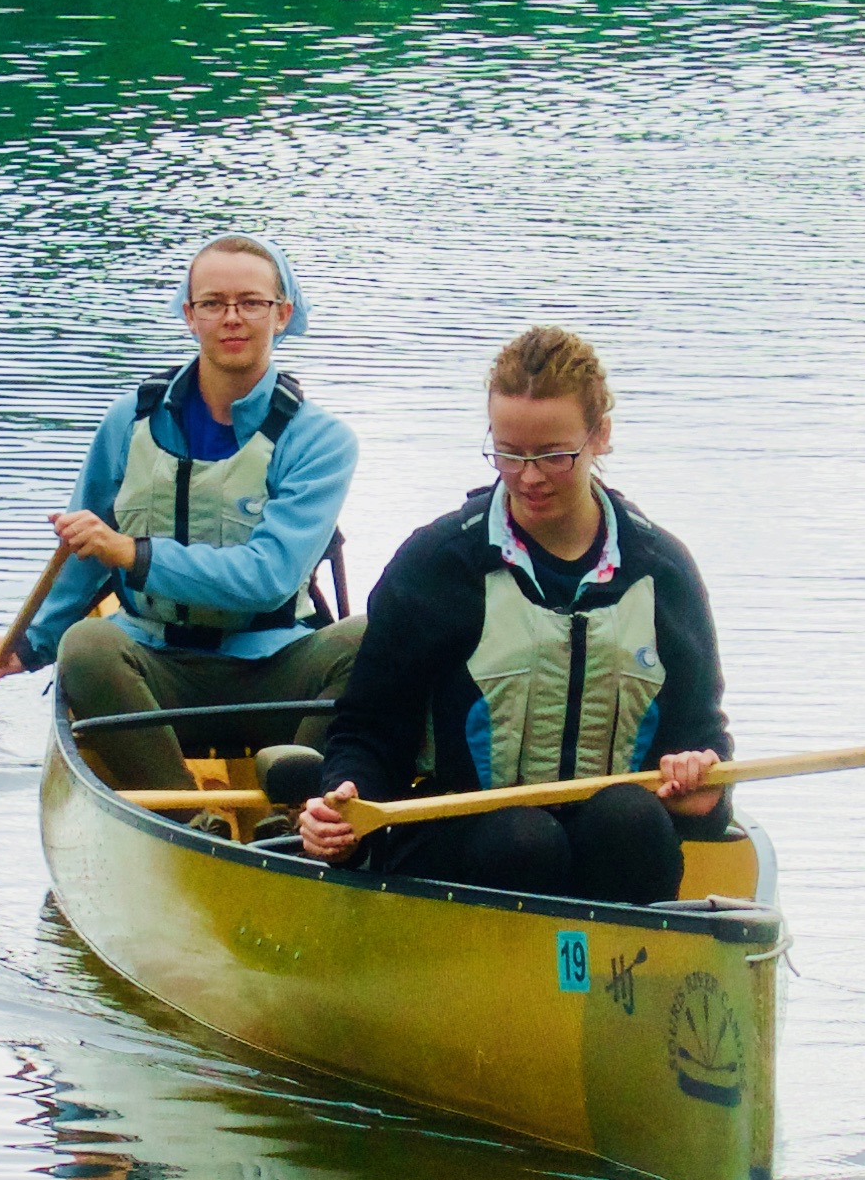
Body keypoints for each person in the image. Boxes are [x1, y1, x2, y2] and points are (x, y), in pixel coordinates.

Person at [294, 325, 730, 905]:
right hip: (470, 844)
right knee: (524, 838)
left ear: (600, 436)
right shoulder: (438, 563)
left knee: (631, 817)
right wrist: (344, 806)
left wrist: (704, 786)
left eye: (553, 455)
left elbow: (700, 733)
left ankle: (627, 972)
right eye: (508, 452)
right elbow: (370, 730)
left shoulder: (663, 570)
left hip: (614, 843)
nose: (528, 476)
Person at [0, 234, 366, 791]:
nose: (231, 318)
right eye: (213, 303)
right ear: (190, 316)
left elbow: (268, 579)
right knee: (86, 646)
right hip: (155, 667)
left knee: (371, 641)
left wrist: (130, 553)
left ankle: (294, 801)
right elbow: (82, 554)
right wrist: (28, 643)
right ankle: (190, 814)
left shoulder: (320, 440)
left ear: (281, 314)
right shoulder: (128, 422)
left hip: (275, 669)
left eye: (250, 303)